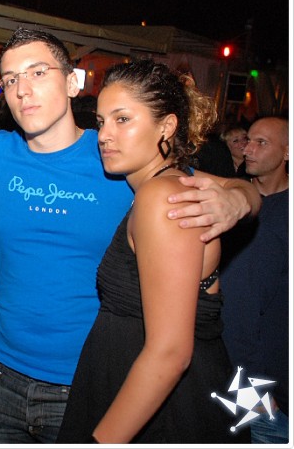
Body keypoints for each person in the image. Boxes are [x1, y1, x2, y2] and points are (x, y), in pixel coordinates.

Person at [0, 27, 260, 443]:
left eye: (37, 72)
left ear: (72, 82)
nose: (22, 89)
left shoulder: (120, 155)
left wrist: (241, 199)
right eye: (10, 79)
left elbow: (231, 189)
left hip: (85, 382)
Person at [56, 59, 247, 443]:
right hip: (153, 393)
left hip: (168, 411)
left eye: (122, 119)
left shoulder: (162, 196)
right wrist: (246, 195)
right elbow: (241, 188)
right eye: (101, 122)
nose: (104, 135)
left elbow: (171, 352)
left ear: (167, 126)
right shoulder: (164, 185)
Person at [220, 117, 289, 444]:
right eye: (248, 140)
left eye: (262, 143)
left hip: (269, 392)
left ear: (287, 152)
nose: (248, 149)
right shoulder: (230, 202)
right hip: (229, 377)